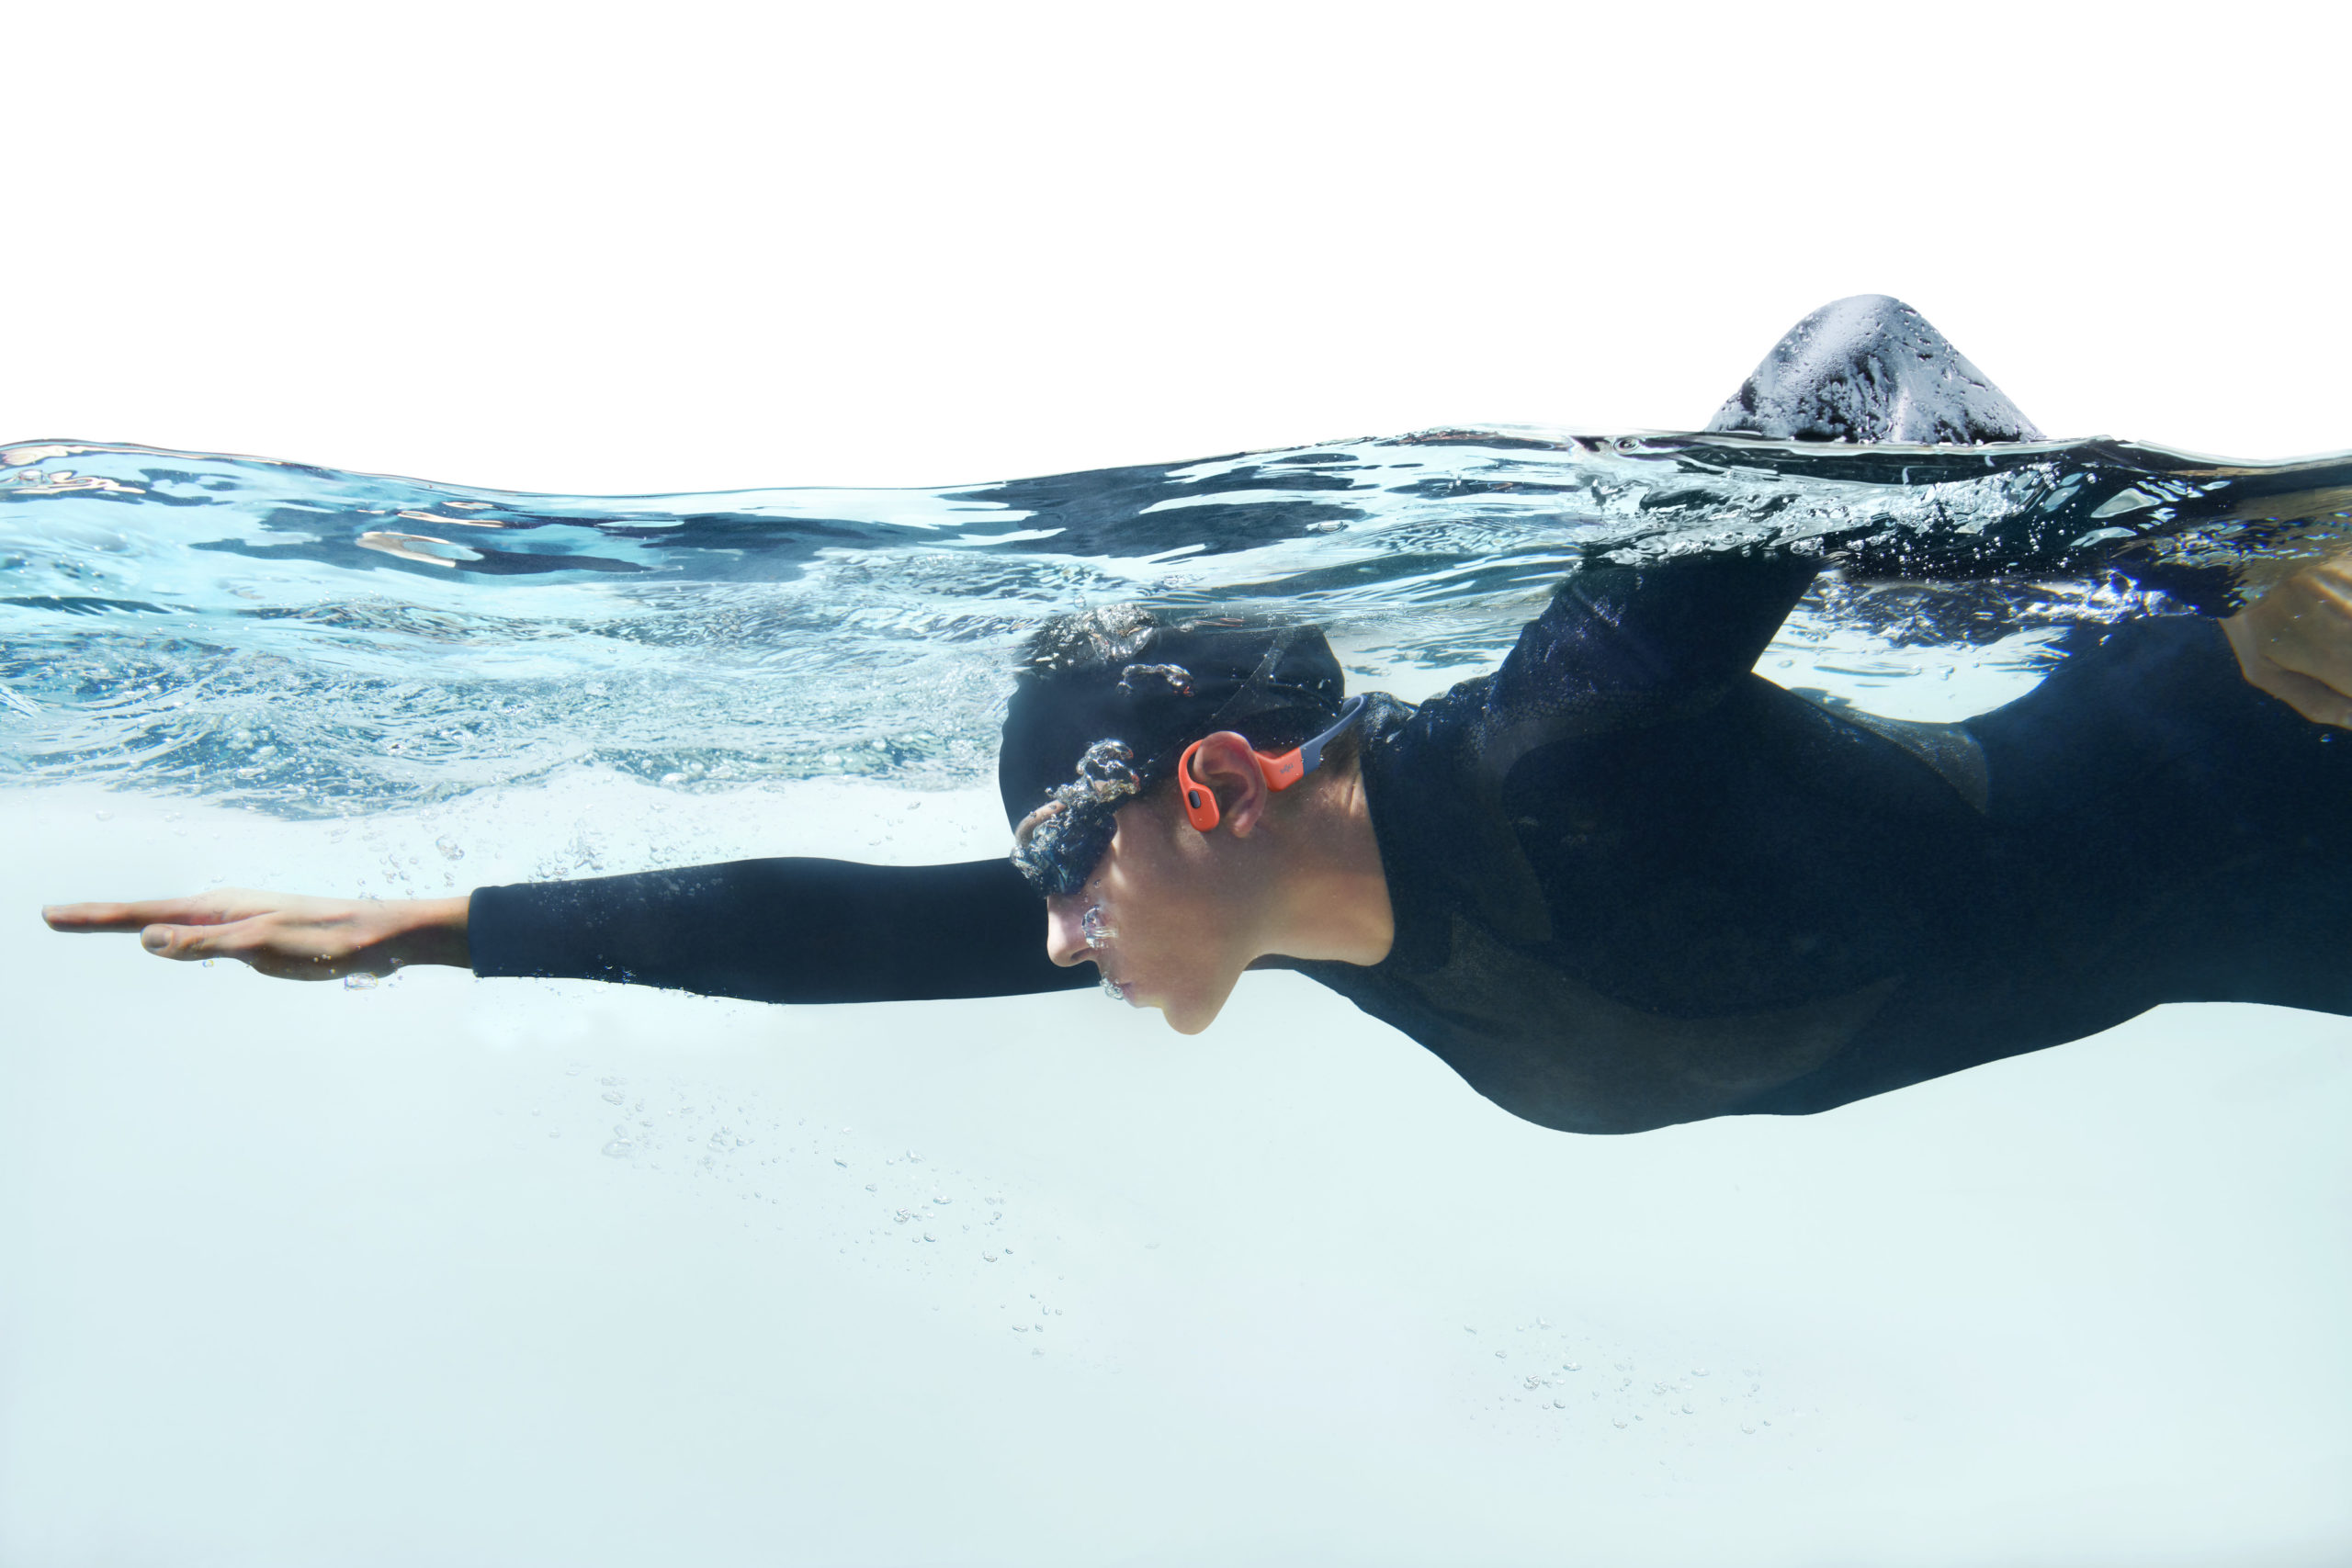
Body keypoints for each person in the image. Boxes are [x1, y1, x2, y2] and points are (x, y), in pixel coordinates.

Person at [43, 297, 2352, 1134]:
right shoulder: (1300, 921)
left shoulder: (1558, 738)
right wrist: (432, 926)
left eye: (1064, 860)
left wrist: (2211, 558)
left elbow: (1842, 373)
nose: (1043, 930)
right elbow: (832, 925)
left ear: (1217, 783)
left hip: (2275, 731)